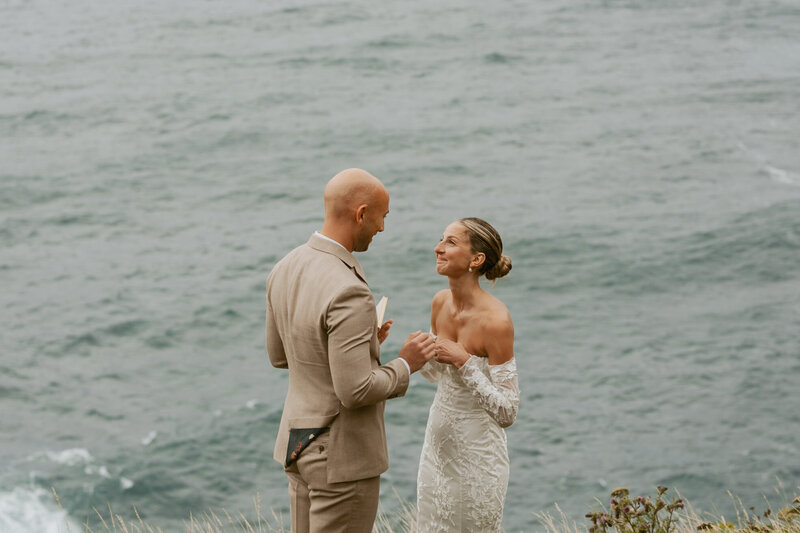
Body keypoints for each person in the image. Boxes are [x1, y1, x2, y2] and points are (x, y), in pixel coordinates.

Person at [266, 168, 436, 533]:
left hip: (298, 444)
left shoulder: (284, 267)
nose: (382, 228)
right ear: (361, 214)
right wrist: (406, 363)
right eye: (382, 217)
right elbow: (355, 390)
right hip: (339, 458)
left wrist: (361, 343)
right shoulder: (349, 290)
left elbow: (281, 356)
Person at [416, 217, 519, 532]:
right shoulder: (439, 302)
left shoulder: (496, 321)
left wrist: (466, 362)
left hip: (477, 459)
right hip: (436, 452)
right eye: (441, 239)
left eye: (450, 242)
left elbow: (508, 411)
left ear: (476, 260)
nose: (438, 248)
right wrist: (423, 353)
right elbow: (436, 375)